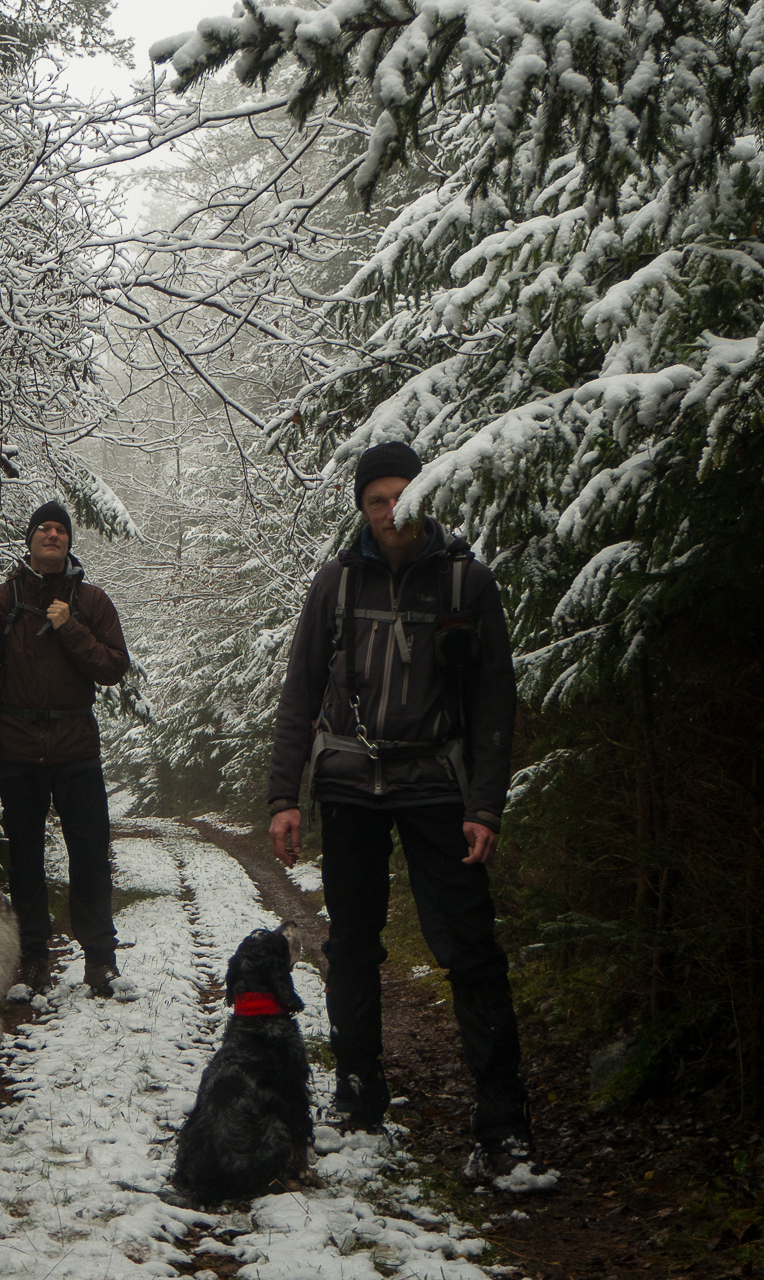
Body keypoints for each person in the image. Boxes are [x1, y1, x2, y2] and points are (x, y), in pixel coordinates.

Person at [266, 441, 547, 1188]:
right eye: (376, 500)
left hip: (436, 782)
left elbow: (494, 701)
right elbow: (300, 690)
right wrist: (283, 796)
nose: (390, 513)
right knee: (352, 941)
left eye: (400, 497)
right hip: (350, 783)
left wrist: (486, 803)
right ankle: (358, 1089)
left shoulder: (466, 583)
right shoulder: (335, 584)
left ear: (424, 496)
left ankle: (502, 1121)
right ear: (361, 508)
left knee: (471, 947)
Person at [0, 501, 130, 997]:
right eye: (44, 529)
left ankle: (100, 960)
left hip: (76, 749)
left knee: (90, 858)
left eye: (60, 529)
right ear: (30, 540)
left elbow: (113, 667)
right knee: (26, 863)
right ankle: (34, 959)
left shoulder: (91, 603)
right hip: (16, 751)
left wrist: (69, 627)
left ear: (69, 542)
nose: (52, 535)